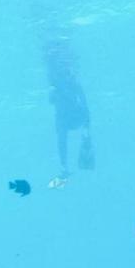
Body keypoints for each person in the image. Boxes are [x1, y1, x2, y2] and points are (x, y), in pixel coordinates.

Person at [44, 36, 94, 188]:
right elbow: (84, 106)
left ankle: (64, 168)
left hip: (70, 117)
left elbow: (83, 105)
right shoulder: (64, 80)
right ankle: (65, 168)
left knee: (62, 135)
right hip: (70, 117)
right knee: (62, 134)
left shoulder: (67, 81)